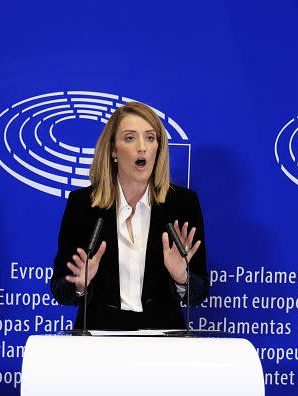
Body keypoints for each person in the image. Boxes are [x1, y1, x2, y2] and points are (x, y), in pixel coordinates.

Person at [50, 101, 208, 330]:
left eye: (150, 138)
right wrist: (79, 284)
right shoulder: (83, 205)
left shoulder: (182, 204)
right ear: (113, 149)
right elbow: (60, 290)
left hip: (163, 340)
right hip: (99, 337)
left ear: (159, 148)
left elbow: (200, 290)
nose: (142, 147)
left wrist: (182, 279)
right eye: (130, 138)